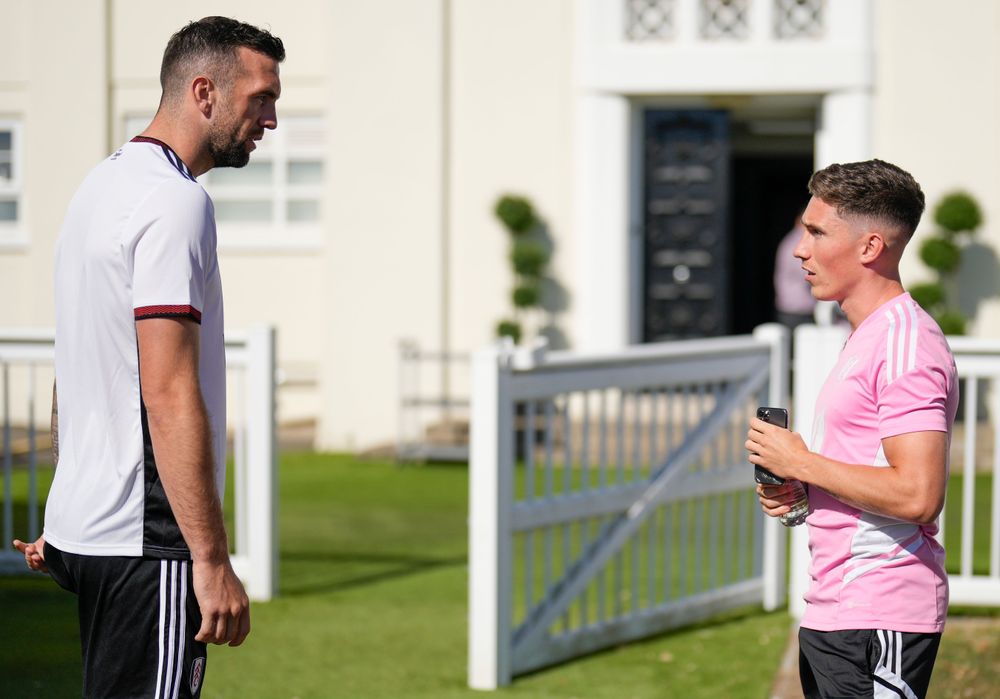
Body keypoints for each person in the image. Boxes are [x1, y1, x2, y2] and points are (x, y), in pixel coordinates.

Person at [12, 17, 284, 698]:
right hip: (147, 545)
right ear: (204, 92)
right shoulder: (175, 202)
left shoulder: (97, 188)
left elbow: (76, 367)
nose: (271, 119)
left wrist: (68, 509)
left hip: (90, 534)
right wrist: (210, 556)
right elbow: (166, 389)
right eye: (260, 98)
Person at [746, 159, 958, 699]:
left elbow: (917, 494)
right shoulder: (868, 335)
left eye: (816, 232)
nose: (800, 250)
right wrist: (800, 489)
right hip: (837, 612)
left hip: (879, 612)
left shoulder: (907, 344)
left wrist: (802, 462)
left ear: (869, 247)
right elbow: (868, 470)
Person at [774, 213, 816, 330]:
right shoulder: (798, 242)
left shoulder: (788, 240)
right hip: (798, 309)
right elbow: (805, 272)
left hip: (788, 307)